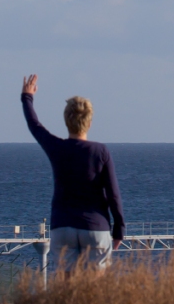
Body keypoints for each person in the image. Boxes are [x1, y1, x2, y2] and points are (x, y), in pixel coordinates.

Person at [21, 74, 125, 271]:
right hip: (96, 227)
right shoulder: (100, 152)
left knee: (67, 290)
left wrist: (27, 97)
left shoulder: (57, 148)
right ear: (90, 122)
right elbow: (113, 195)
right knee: (95, 292)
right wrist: (119, 229)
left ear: (66, 120)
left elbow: (35, 126)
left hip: (63, 226)